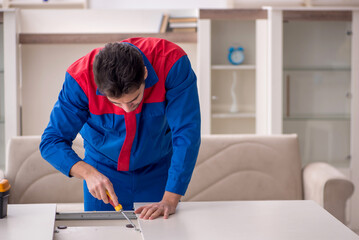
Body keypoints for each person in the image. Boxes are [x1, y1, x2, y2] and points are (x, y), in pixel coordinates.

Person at [40, 37, 201, 220]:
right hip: (102, 171)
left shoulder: (172, 62)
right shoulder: (80, 78)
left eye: (134, 100)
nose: (126, 109)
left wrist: (170, 200)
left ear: (145, 74)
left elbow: (186, 133)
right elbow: (51, 141)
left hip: (158, 169)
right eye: (116, 103)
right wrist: (88, 173)